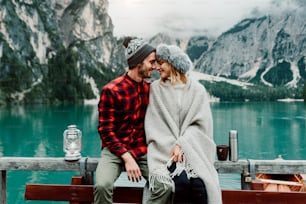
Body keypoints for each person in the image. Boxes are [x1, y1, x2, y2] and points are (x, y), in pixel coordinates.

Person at [145, 44, 222, 204]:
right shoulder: (155, 90)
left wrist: (182, 144)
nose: (158, 68)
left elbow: (201, 126)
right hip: (165, 153)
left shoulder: (197, 90)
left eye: (162, 63)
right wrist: (173, 148)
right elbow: (155, 126)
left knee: (200, 186)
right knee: (180, 183)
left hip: (192, 152)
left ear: (173, 64)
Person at [94, 37, 156, 204]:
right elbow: (105, 131)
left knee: (165, 186)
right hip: (114, 150)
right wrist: (127, 158)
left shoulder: (151, 89)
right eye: (151, 62)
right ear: (138, 62)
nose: (155, 66)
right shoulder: (111, 90)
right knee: (102, 185)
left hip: (142, 149)